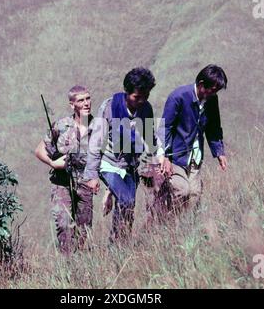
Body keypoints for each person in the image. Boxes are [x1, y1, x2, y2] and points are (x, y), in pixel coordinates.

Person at [83, 67, 171, 242]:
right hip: (109, 164)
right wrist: (91, 175)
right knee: (126, 200)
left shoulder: (146, 109)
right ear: (126, 92)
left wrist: (161, 156)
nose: (141, 101)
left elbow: (149, 136)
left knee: (128, 205)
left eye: (145, 97)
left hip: (130, 165)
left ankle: (121, 243)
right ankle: (115, 243)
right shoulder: (109, 107)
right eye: (136, 97)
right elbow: (95, 142)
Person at [159, 64, 228, 216]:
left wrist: (219, 152)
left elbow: (214, 127)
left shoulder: (212, 101)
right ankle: (168, 224)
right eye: (213, 89)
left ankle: (185, 231)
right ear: (202, 85)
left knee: (194, 196)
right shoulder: (178, 97)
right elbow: (165, 127)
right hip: (175, 157)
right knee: (182, 191)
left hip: (195, 158)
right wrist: (165, 156)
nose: (214, 93)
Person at [35, 85, 94, 254]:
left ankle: (84, 267)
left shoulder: (98, 127)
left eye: (88, 99)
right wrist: (53, 163)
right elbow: (39, 151)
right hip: (62, 183)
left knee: (84, 230)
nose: (86, 103)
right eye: (81, 100)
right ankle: (67, 268)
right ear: (72, 104)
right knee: (63, 225)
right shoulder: (61, 126)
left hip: (85, 184)